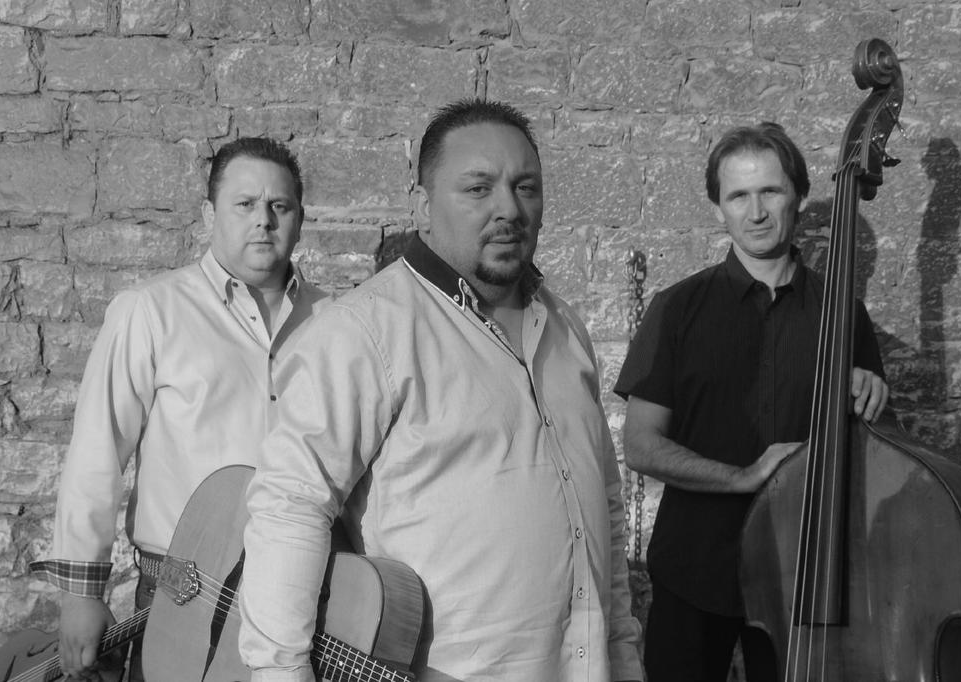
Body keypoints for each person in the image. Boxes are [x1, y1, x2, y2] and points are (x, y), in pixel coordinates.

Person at [238, 98, 644, 682]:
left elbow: (603, 505)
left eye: (525, 187)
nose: (509, 208)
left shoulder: (566, 330)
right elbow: (290, 508)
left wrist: (623, 655)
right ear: (423, 208)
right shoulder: (364, 333)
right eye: (478, 188)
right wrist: (280, 672)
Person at [29, 137, 329, 681]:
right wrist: (82, 594)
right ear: (209, 214)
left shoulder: (336, 324)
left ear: (300, 219)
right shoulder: (150, 311)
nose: (263, 220)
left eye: (279, 206)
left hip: (306, 599)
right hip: (182, 595)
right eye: (245, 204)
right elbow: (98, 450)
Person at [614, 122, 889, 682]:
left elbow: (873, 457)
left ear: (799, 196)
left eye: (771, 191)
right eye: (738, 195)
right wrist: (743, 477)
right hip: (695, 568)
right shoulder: (676, 308)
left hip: (806, 578)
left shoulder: (843, 314)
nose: (756, 211)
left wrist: (871, 398)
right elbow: (641, 446)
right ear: (719, 207)